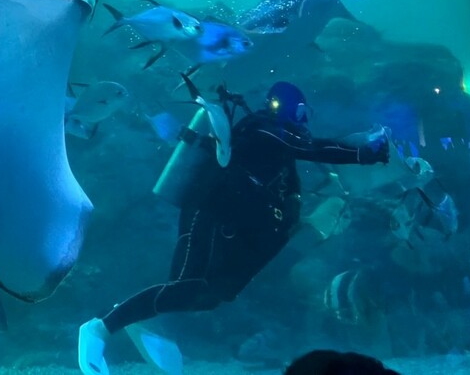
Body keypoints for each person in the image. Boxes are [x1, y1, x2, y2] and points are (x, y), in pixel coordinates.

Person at [77, 81, 390, 375]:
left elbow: (293, 184)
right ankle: (101, 327)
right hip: (209, 213)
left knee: (213, 294)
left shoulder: (280, 152)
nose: (303, 122)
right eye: (300, 113)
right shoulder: (262, 127)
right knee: (187, 285)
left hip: (230, 224)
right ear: (288, 108)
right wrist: (364, 154)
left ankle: (142, 320)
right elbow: (313, 148)